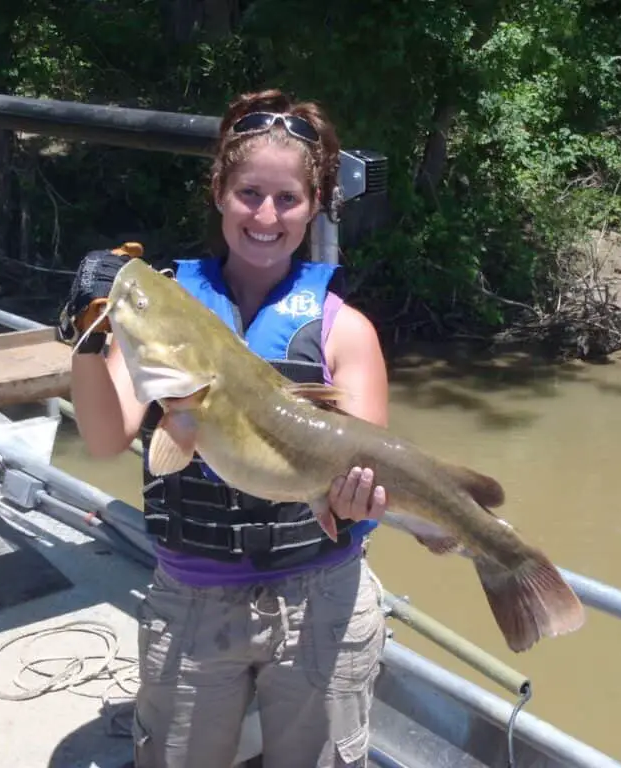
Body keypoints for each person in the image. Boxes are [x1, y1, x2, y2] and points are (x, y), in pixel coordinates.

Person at [64, 88, 391, 768]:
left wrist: (360, 498)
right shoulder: (166, 317)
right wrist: (88, 335)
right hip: (192, 595)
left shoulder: (344, 329)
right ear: (217, 190)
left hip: (321, 595)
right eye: (248, 193)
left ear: (316, 205)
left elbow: (366, 462)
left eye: (287, 199)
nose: (265, 215)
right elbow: (102, 439)